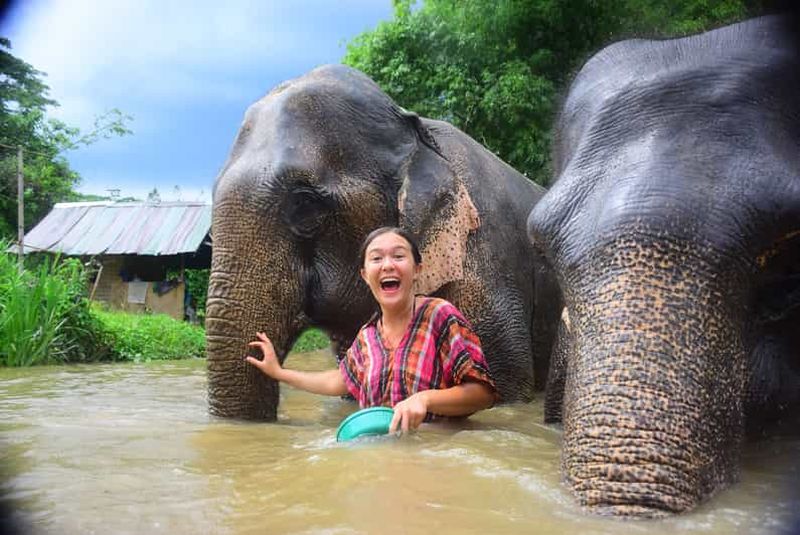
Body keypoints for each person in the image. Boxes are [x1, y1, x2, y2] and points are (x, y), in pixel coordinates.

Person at [245, 226, 497, 433]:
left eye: (398, 256)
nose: (387, 265)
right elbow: (338, 381)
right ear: (365, 275)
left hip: (435, 457)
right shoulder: (367, 337)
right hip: (377, 457)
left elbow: (482, 394)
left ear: (417, 269)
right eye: (377, 258)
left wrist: (425, 399)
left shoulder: (440, 316)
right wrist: (278, 372)